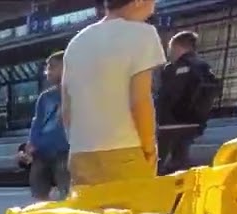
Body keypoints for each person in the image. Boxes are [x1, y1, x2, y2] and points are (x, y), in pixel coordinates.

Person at [62, 0, 166, 187]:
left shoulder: (76, 43)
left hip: (81, 155)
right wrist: (149, 149)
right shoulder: (143, 33)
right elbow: (140, 100)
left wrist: (79, 143)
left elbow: (67, 109)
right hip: (125, 149)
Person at [156, 30, 220, 174]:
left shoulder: (176, 68)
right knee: (180, 159)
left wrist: (161, 116)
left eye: (170, 48)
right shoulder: (204, 67)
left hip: (171, 124)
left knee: (158, 163)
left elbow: (170, 94)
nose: (169, 52)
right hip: (194, 122)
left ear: (178, 47)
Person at [19, 51, 70, 201]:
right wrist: (31, 145)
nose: (47, 71)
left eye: (52, 67)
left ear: (65, 67)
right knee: (38, 194)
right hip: (41, 153)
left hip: (64, 151)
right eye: (47, 67)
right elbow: (37, 122)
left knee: (66, 193)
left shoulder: (76, 92)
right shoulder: (45, 97)